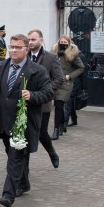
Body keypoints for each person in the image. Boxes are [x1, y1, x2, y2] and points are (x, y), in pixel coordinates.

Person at [0, 34, 53, 207]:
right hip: (2, 121)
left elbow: (48, 92)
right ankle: (24, 183)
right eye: (11, 47)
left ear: (26, 49)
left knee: (15, 158)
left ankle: (8, 195)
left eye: (17, 47)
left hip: (22, 124)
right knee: (12, 154)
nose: (13, 50)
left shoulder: (37, 71)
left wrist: (33, 95)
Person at [27, 29, 63, 168]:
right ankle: (24, 167)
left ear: (41, 40)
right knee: (25, 134)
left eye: (33, 39)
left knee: (41, 132)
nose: (30, 42)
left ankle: (52, 152)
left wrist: (45, 91)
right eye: (29, 39)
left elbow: (59, 78)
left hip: (43, 102)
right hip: (26, 101)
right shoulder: (24, 56)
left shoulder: (50, 58)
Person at [50, 36, 84, 140]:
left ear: (68, 43)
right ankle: (62, 124)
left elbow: (81, 67)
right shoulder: (54, 52)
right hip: (55, 81)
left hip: (66, 83)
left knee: (59, 103)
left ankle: (55, 130)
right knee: (58, 104)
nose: (63, 43)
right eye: (61, 42)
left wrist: (70, 76)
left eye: (65, 42)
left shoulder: (73, 54)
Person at [64, 49, 88, 127]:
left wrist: (83, 87)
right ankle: (74, 119)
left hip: (75, 82)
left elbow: (83, 72)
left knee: (69, 102)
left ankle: (65, 123)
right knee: (70, 102)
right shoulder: (65, 54)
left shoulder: (79, 56)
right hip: (69, 81)